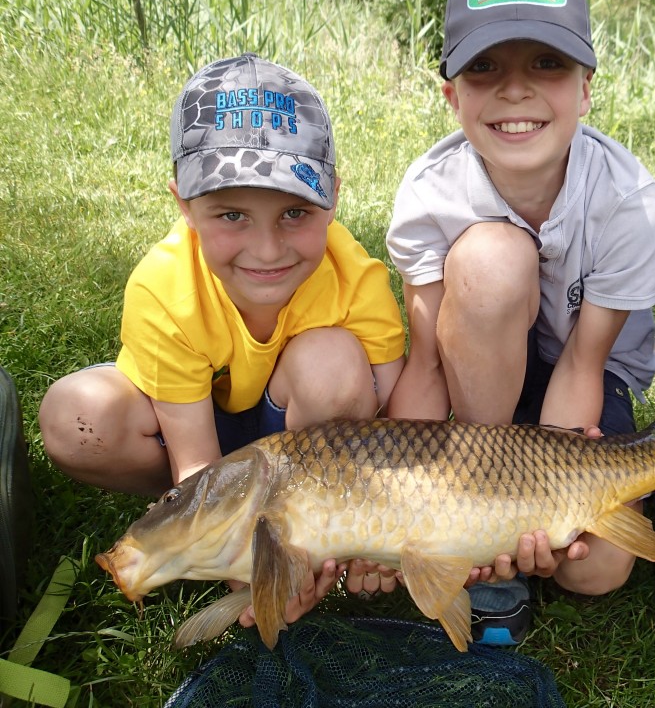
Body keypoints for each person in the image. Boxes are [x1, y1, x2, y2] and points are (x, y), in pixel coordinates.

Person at [38, 52, 408, 625]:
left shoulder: (357, 279)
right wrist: (250, 568)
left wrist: (379, 534)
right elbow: (198, 464)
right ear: (184, 204)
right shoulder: (164, 289)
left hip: (305, 441)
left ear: (333, 196)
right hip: (187, 429)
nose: (266, 250)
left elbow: (392, 441)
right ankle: (194, 525)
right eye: (231, 215)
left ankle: (307, 530)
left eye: (294, 213)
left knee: (333, 363)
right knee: (75, 417)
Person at [385, 0, 655, 645]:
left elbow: (582, 364)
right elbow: (424, 365)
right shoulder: (429, 195)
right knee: (490, 258)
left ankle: (508, 529)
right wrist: (400, 504)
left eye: (546, 64)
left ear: (586, 88)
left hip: (582, 381)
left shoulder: (629, 202)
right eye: (485, 69)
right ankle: (493, 549)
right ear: (451, 95)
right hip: (473, 382)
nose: (516, 92)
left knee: (594, 570)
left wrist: (552, 501)